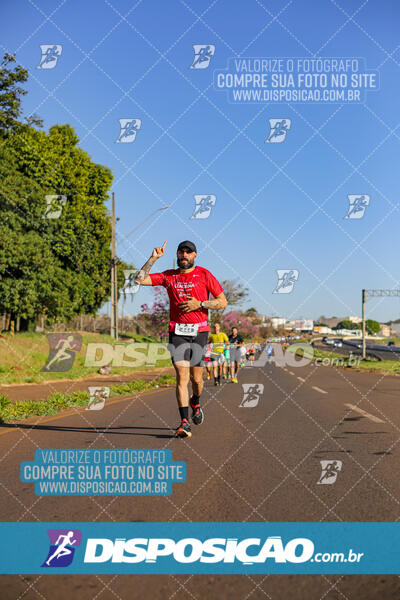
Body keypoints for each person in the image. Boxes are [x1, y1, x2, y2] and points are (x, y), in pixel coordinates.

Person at [135, 240, 227, 438]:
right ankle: (184, 422)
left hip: (200, 332)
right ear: (177, 255)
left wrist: (200, 304)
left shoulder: (204, 274)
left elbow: (222, 302)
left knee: (197, 378)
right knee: (182, 376)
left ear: (195, 255)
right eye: (181, 252)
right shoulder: (169, 276)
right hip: (177, 332)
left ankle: (196, 401)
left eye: (188, 252)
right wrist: (153, 258)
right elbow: (139, 280)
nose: (184, 255)